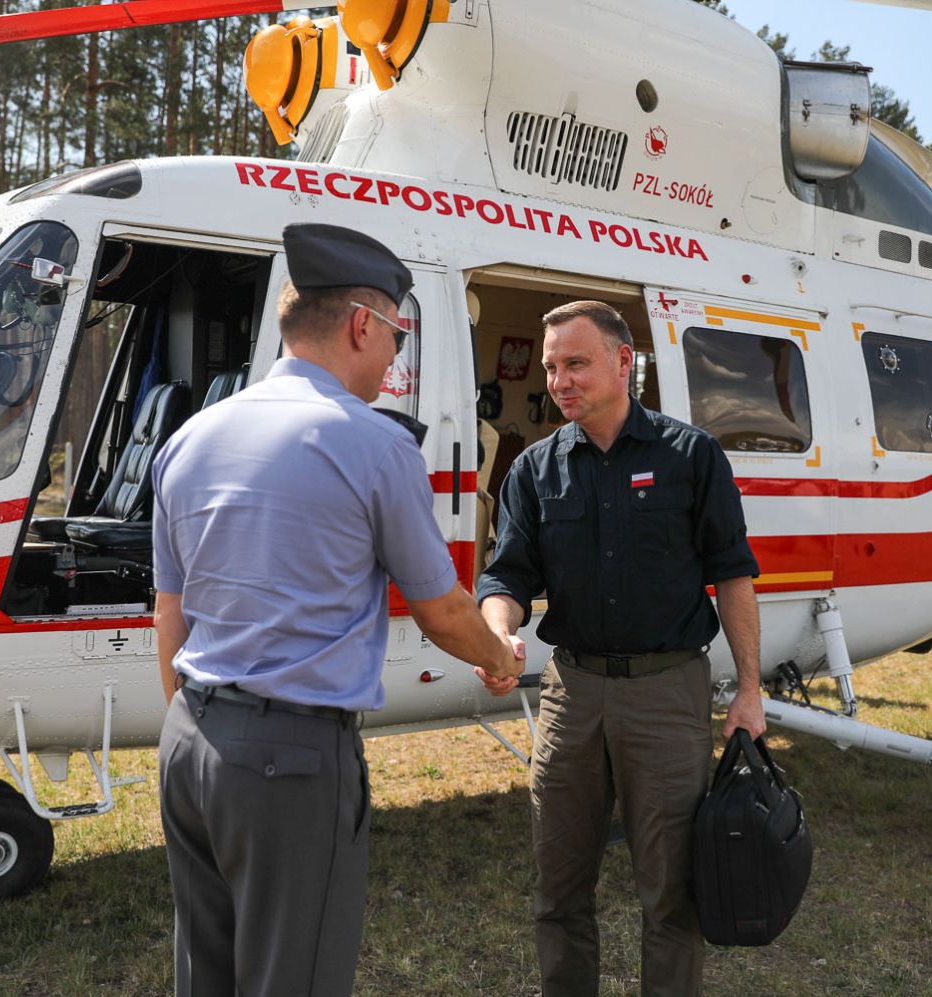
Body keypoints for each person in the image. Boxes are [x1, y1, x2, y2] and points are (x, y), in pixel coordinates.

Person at [152, 223, 522, 997]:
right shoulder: (375, 444)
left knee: (205, 974)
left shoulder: (188, 439)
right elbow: (443, 611)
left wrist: (198, 729)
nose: (394, 359)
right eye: (397, 336)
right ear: (363, 324)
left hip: (189, 741)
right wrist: (497, 656)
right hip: (291, 759)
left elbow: (171, 612)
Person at [474, 299, 766, 996]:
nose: (559, 380)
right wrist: (498, 625)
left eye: (575, 362)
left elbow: (732, 576)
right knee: (558, 884)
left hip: (667, 694)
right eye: (551, 367)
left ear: (623, 361)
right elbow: (507, 573)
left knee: (670, 891)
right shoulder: (535, 471)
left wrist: (750, 689)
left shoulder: (691, 457)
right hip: (571, 695)